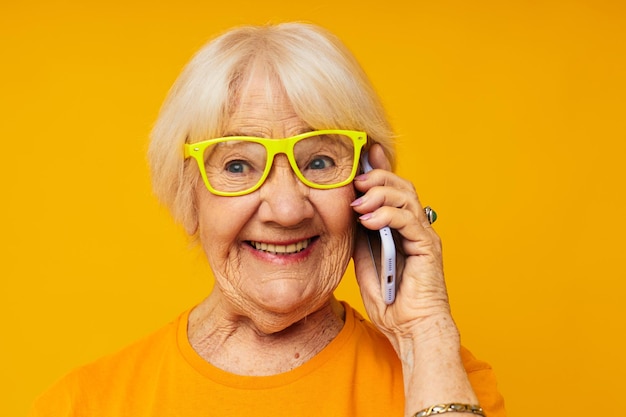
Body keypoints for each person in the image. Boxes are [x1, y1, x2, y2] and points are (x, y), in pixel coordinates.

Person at [30, 22, 506, 417]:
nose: (286, 209)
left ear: (369, 180)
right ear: (188, 193)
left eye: (319, 162)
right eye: (238, 166)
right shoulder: (85, 404)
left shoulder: (445, 381)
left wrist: (423, 332)